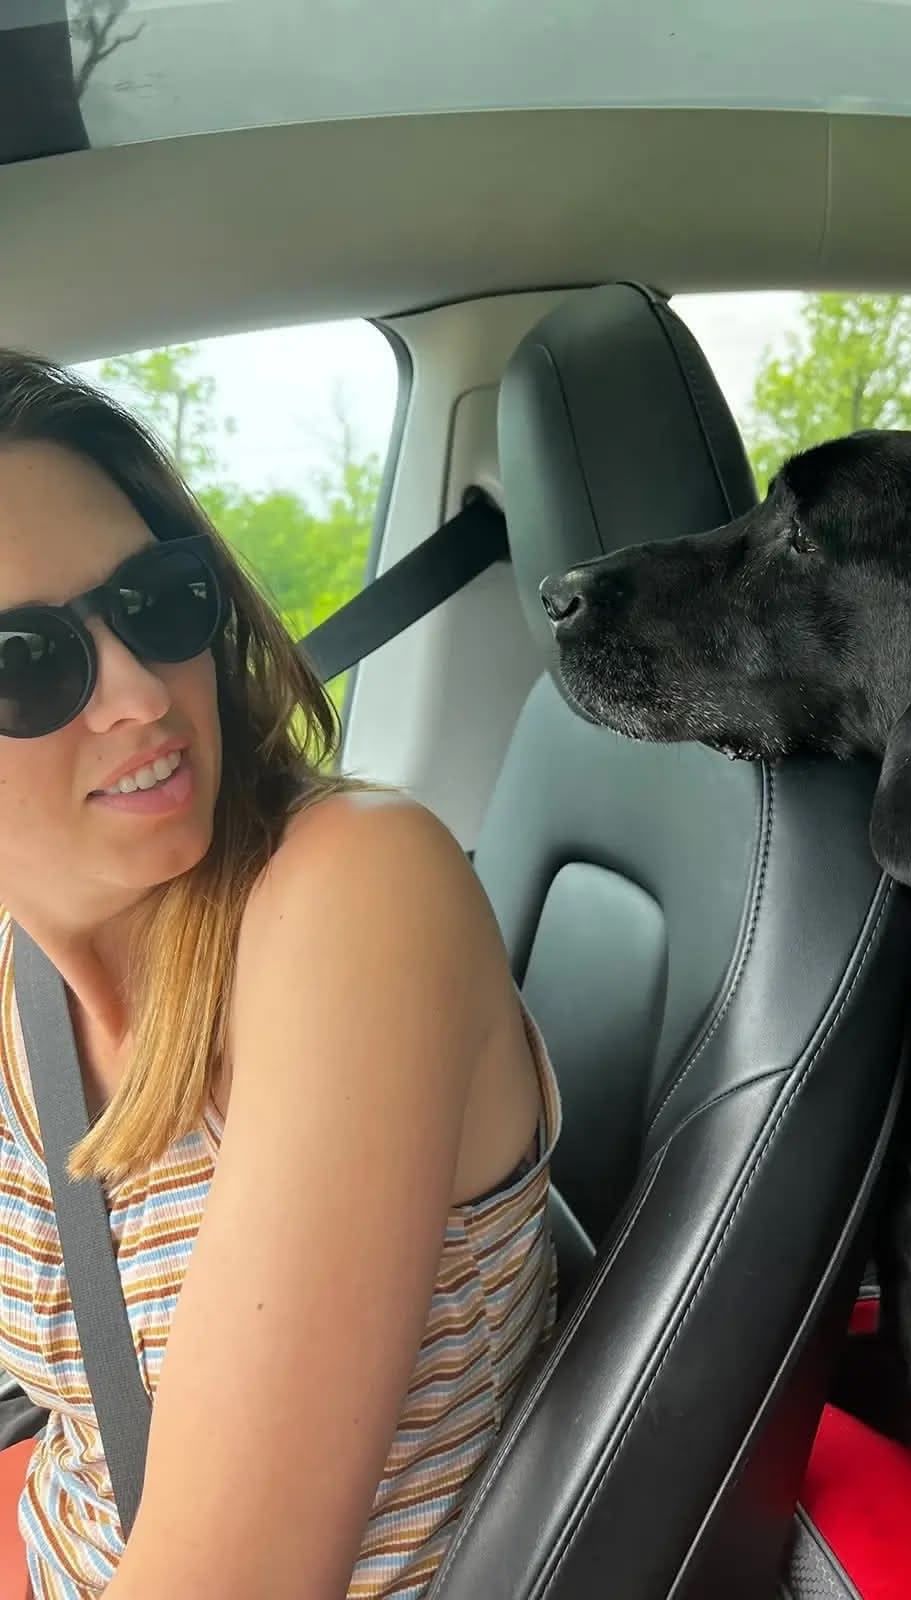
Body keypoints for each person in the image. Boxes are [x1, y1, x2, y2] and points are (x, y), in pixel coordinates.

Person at [0, 352, 559, 1599]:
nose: (140, 693)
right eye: (25, 664)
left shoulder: (352, 890)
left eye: (154, 602)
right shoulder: (20, 970)